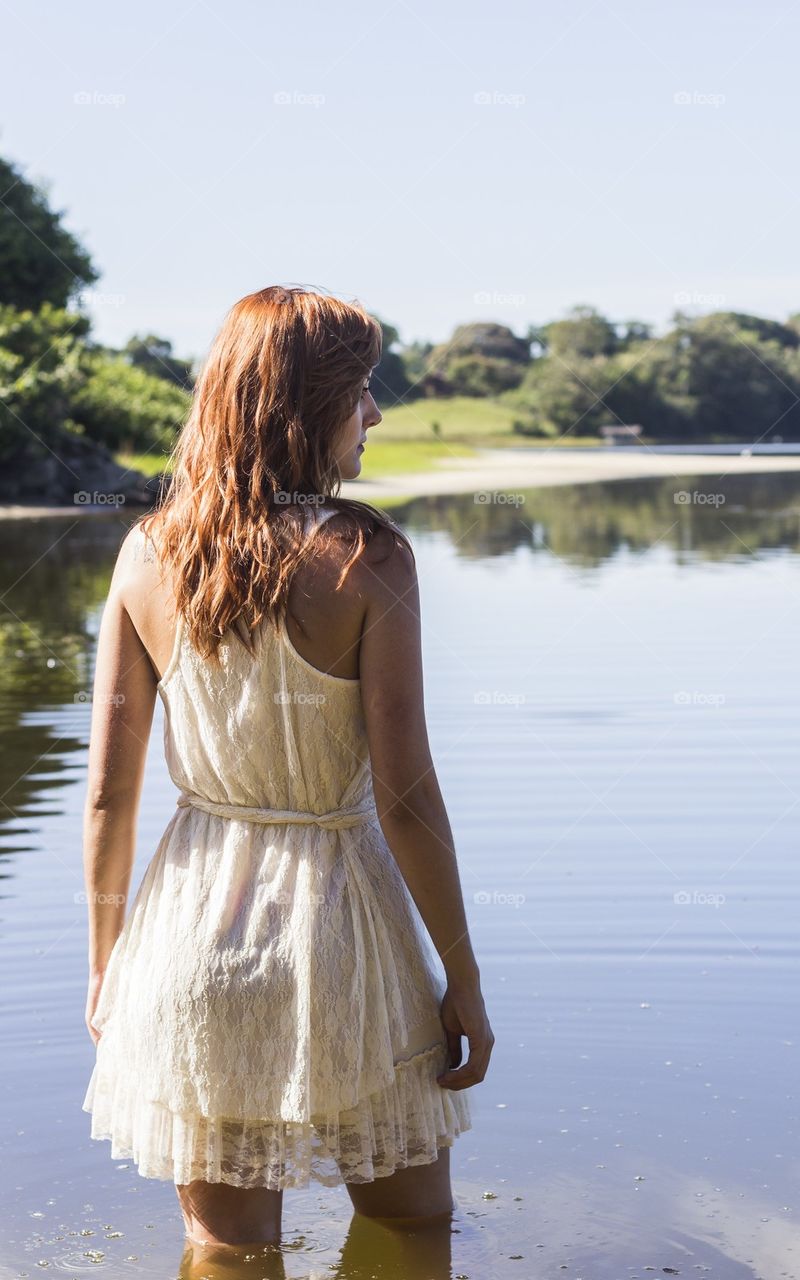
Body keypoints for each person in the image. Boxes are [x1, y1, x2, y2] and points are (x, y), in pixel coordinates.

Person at [80, 284, 494, 1249]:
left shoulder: (145, 553)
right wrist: (463, 974)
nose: (377, 413)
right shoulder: (367, 556)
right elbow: (406, 794)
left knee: (227, 1259)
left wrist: (109, 967)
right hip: (346, 939)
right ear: (308, 407)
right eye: (360, 391)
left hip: (189, 944)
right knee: (412, 1239)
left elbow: (106, 792)